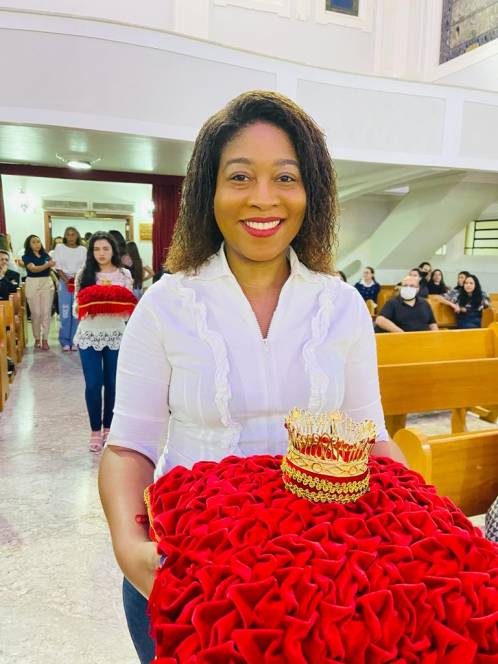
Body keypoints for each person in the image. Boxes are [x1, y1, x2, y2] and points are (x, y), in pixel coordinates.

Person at [97, 90, 404, 663]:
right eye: (239, 177)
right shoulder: (166, 303)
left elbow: (372, 438)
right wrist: (128, 545)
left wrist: (417, 520)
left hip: (319, 575)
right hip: (187, 569)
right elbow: (130, 446)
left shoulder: (340, 304)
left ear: (311, 192)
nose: (263, 198)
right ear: (209, 192)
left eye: (285, 177)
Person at [74, 232, 133, 452]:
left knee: (113, 383)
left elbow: (128, 311)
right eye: (97, 249)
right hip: (89, 335)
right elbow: (77, 309)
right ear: (91, 252)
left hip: (116, 334)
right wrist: (94, 303)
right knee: (93, 384)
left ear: (113, 250)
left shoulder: (124, 274)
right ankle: (94, 430)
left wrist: (112, 302)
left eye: (105, 248)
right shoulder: (84, 274)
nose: (101, 253)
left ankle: (109, 427)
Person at [53, 227, 87, 351]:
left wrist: (76, 280)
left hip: (79, 281)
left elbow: (84, 266)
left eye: (73, 234)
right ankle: (65, 341)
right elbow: (58, 267)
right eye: (68, 234)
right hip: (65, 281)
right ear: (65, 236)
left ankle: (74, 340)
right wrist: (68, 281)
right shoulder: (59, 248)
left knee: (76, 310)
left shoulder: (82, 249)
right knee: (65, 311)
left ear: (77, 236)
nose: (71, 237)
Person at [21, 235, 55, 350]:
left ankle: (45, 339)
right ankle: (37, 338)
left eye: (38, 242)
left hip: (46, 282)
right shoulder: (26, 256)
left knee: (46, 312)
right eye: (34, 242)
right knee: (36, 313)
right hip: (33, 283)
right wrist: (47, 265)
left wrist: (50, 264)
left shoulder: (46, 255)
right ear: (29, 244)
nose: (37, 244)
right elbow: (33, 269)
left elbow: (53, 265)